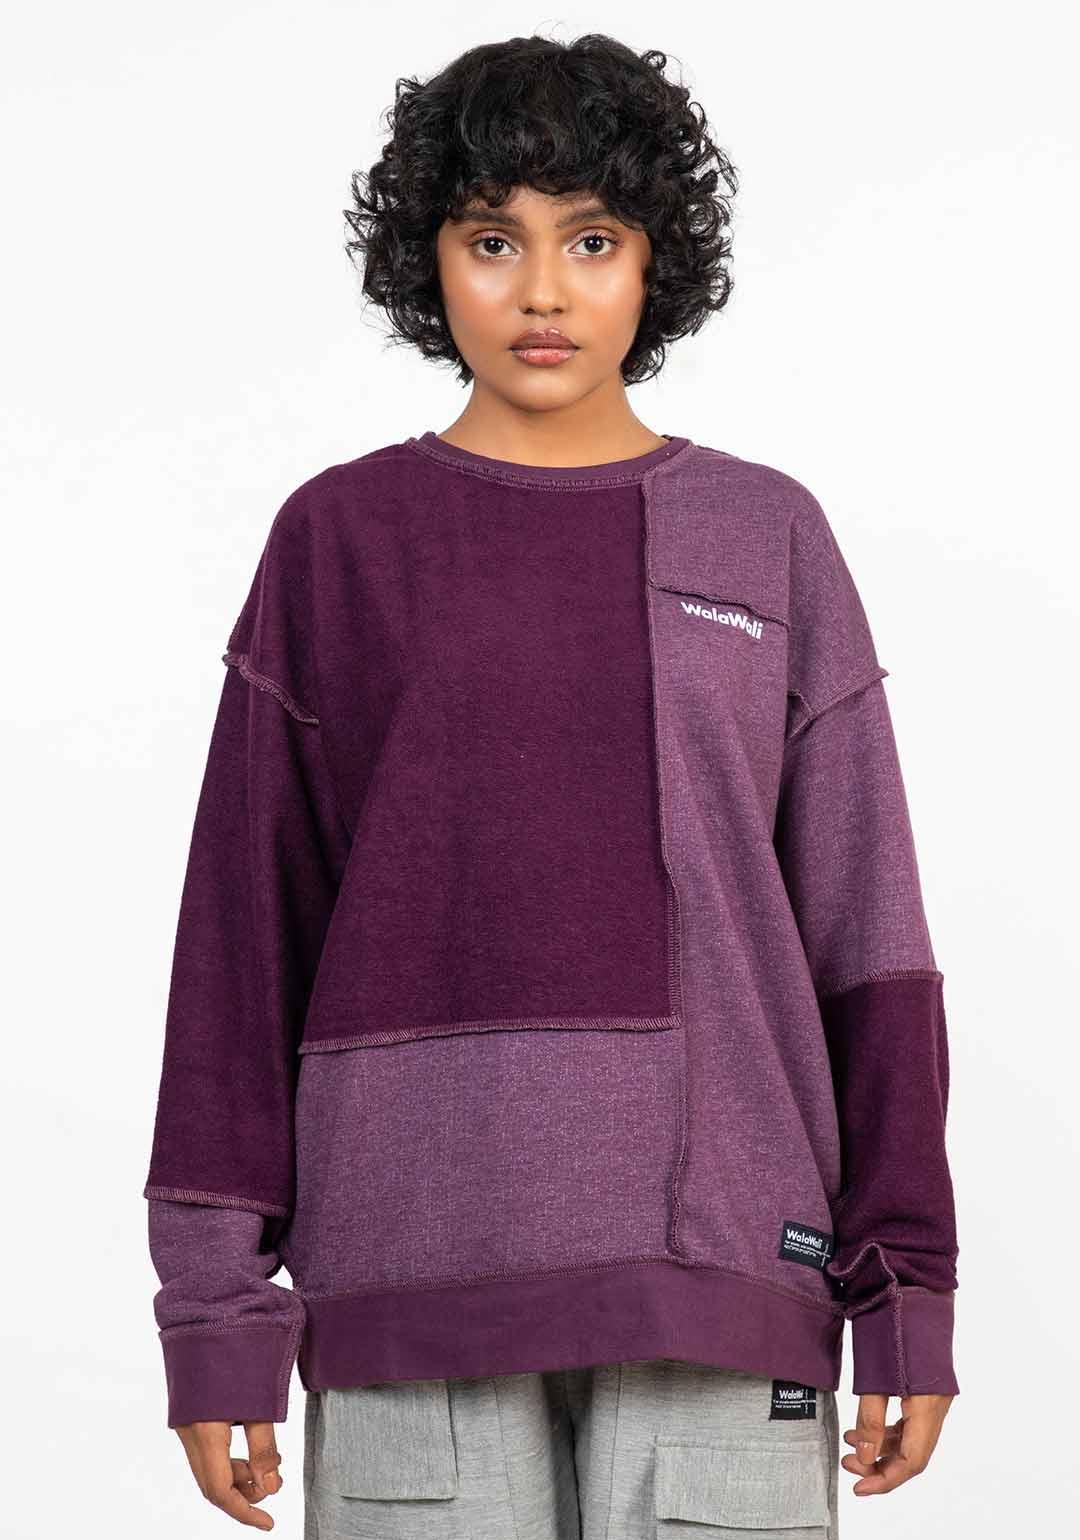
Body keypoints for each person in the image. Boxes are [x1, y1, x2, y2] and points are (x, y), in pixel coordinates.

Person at [142, 31, 959, 1536]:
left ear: (656, 262)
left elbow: (870, 943)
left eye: (591, 239)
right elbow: (243, 944)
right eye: (491, 238)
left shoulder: (765, 534)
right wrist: (213, 1310)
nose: (541, 291)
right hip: (410, 1272)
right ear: (429, 261)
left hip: (724, 1275)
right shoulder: (338, 541)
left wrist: (904, 1287)